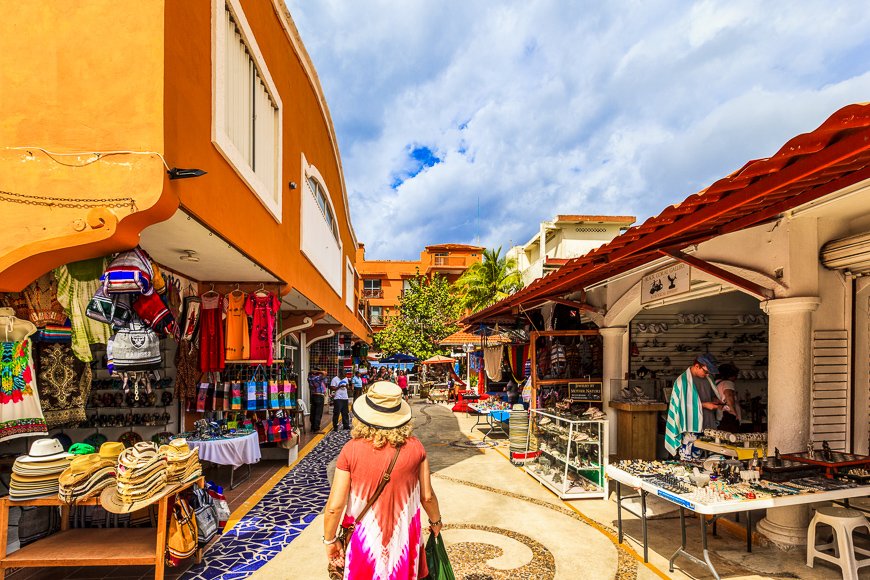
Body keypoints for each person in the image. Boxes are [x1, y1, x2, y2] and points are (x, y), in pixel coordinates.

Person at [323, 381, 442, 579]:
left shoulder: (351, 450)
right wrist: (436, 521)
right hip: (404, 542)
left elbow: (335, 507)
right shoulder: (416, 447)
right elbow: (427, 497)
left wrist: (330, 540)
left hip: (364, 543)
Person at [664, 353, 724, 460]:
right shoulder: (682, 381)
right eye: (705, 371)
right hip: (690, 428)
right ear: (697, 366)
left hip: (707, 424)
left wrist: (715, 400)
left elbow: (709, 395)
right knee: (689, 460)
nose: (707, 374)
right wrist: (705, 405)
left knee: (708, 460)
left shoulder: (708, 378)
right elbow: (681, 407)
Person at [715, 363, 742, 433]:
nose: (736, 377)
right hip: (728, 415)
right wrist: (734, 412)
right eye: (735, 375)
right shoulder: (728, 383)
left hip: (720, 416)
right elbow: (729, 395)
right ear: (730, 375)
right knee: (732, 439)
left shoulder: (717, 383)